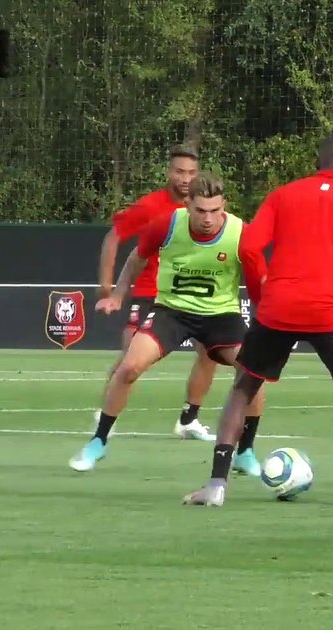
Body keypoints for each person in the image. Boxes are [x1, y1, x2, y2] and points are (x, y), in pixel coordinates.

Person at [182, 133, 333, 510]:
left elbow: (248, 247)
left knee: (243, 390)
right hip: (331, 312)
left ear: (317, 162)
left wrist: (262, 300)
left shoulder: (283, 196)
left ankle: (215, 486)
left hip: (279, 308)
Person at [70, 174, 267, 473]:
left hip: (221, 315)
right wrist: (118, 295)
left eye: (215, 211)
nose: (208, 219)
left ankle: (246, 452)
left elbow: (258, 286)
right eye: (201, 211)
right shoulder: (167, 224)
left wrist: (268, 324)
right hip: (171, 312)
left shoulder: (241, 233)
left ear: (224, 206)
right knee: (129, 367)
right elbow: (137, 258)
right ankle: (98, 442)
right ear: (188, 205)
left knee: (254, 370)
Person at [97, 145, 219, 440]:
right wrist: (108, 288)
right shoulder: (151, 207)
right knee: (130, 358)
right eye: (179, 171)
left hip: (193, 296)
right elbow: (114, 236)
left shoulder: (206, 211)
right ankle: (103, 417)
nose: (185, 178)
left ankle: (189, 419)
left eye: (191, 172)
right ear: (169, 172)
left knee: (211, 351)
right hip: (152, 292)